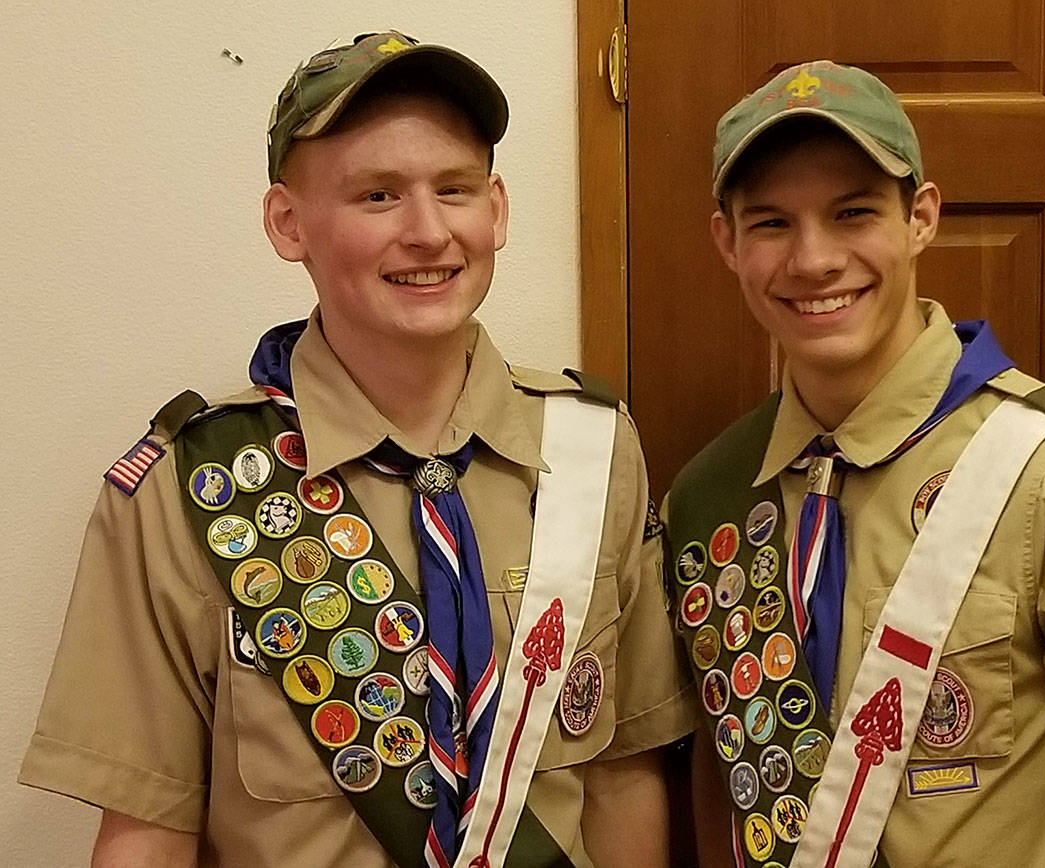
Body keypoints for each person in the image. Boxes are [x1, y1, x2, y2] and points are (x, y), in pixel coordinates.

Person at [19, 31, 694, 868]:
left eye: (455, 189)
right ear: (288, 222)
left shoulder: (593, 451)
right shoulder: (187, 489)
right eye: (377, 196)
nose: (426, 232)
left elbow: (622, 773)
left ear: (499, 209)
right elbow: (149, 830)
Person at [664, 60, 1045, 867]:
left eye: (852, 213)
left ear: (921, 217)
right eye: (772, 223)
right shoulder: (706, 499)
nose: (812, 260)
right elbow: (730, 790)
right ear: (726, 242)